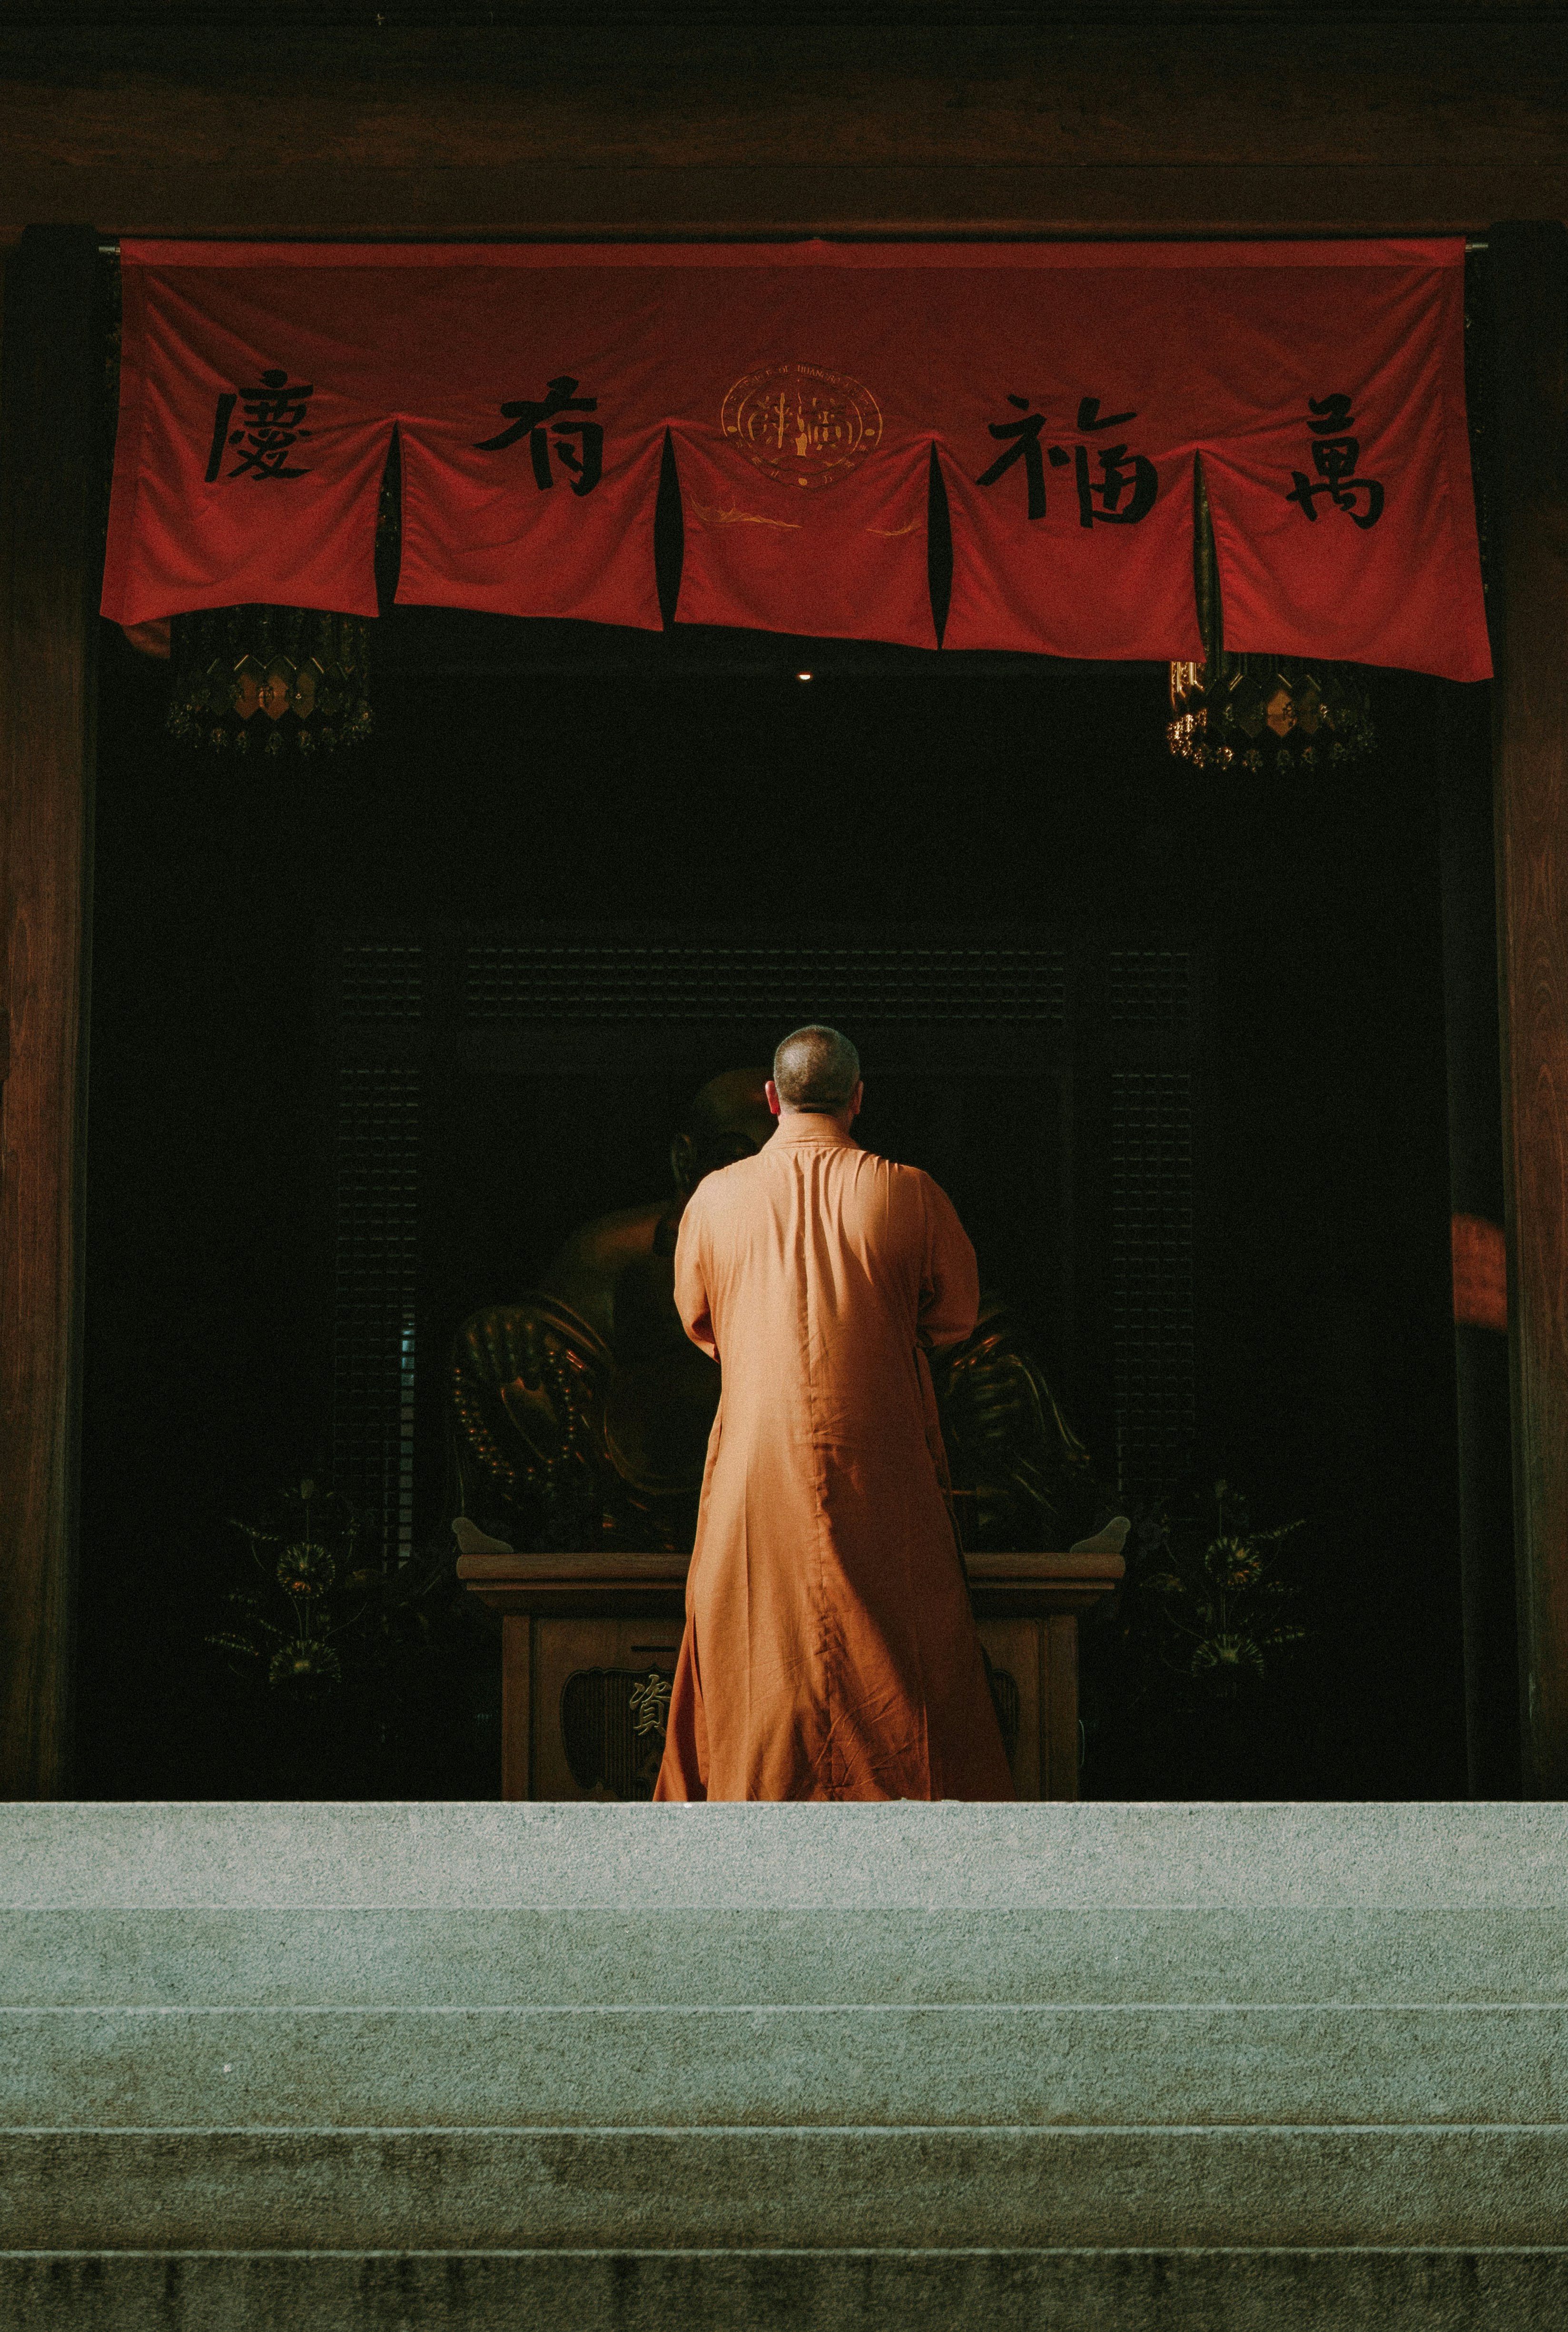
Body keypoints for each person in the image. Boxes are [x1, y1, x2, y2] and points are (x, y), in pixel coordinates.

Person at [654, 1024, 1015, 1802]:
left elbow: (698, 1320)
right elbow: (955, 1319)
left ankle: (753, 1817)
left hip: (759, 1460)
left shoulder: (715, 1199)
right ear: (858, 1098)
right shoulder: (909, 1191)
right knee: (902, 1643)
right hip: (878, 1454)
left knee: (754, 1646)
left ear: (771, 1098)